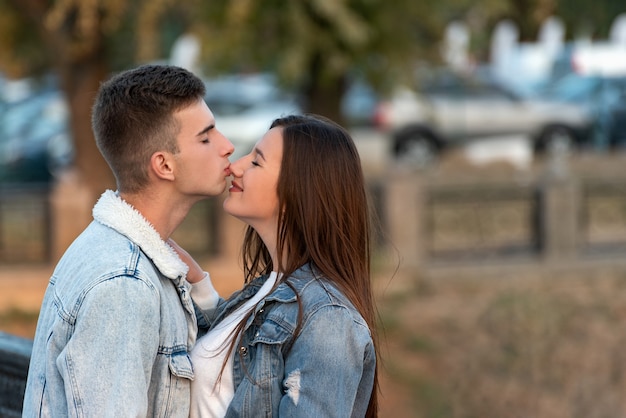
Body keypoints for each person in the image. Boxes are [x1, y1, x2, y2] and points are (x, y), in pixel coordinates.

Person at [22, 64, 234, 417]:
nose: (226, 146)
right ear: (164, 165)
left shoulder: (125, 258)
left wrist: (201, 289)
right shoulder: (124, 284)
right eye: (206, 137)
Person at [184, 114, 380, 417]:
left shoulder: (328, 319)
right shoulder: (264, 293)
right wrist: (200, 287)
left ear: (298, 191)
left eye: (256, 162)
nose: (235, 166)